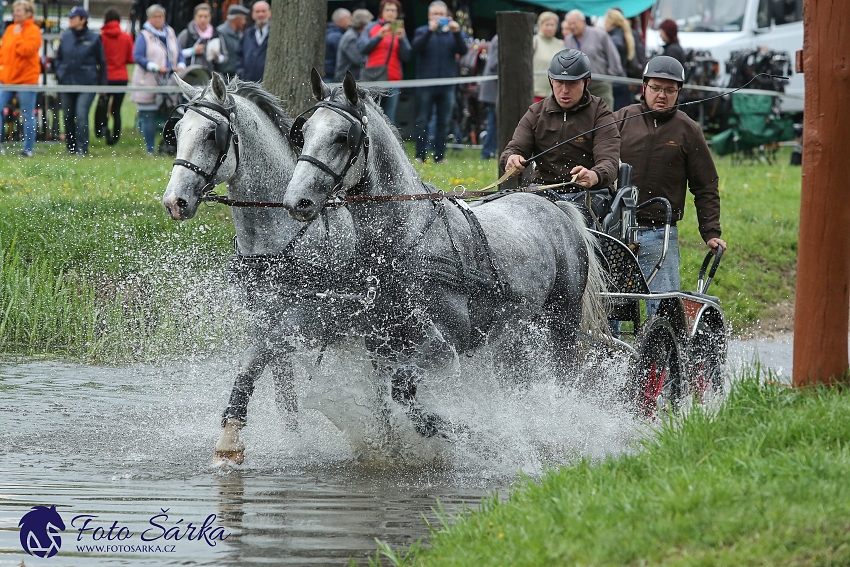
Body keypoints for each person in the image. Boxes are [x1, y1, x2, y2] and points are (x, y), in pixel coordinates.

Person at [613, 56, 725, 310]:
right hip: (616, 232)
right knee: (610, 310)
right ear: (644, 87)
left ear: (678, 92)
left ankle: (664, 349)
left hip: (660, 233)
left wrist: (711, 232)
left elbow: (706, 185)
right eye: (655, 88)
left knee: (664, 312)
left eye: (669, 90)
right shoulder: (620, 120)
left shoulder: (689, 131)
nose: (661, 95)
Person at [500, 49, 619, 205]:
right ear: (551, 80)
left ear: (586, 82)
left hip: (589, 193)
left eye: (572, 83)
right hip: (543, 191)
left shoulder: (600, 113)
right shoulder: (536, 113)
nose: (564, 90)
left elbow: (609, 161)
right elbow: (514, 149)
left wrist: (594, 175)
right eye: (559, 82)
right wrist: (511, 158)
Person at [411, 1, 468, 163]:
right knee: (422, 121)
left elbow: (463, 51)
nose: (438, 17)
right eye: (435, 14)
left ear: (447, 17)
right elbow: (415, 49)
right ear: (429, 16)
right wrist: (430, 31)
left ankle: (439, 156)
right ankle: (420, 155)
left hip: (447, 86)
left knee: (444, 122)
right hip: (425, 85)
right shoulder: (421, 31)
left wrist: (457, 33)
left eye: (441, 14)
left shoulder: (453, 33)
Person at [130, 4, 185, 156]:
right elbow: (138, 56)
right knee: (148, 115)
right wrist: (154, 67)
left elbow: (179, 53)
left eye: (160, 16)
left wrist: (180, 65)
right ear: (149, 18)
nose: (158, 19)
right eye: (155, 16)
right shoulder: (144, 35)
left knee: (171, 115)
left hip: (169, 81)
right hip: (147, 81)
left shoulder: (170, 33)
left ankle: (168, 148)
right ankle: (150, 149)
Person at [55, 6, 107, 155]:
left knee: (81, 114)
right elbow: (58, 57)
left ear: (83, 20)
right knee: (67, 116)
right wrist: (60, 72)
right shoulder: (65, 36)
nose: (70, 20)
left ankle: (82, 148)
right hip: (66, 82)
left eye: (73, 17)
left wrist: (103, 85)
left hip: (86, 83)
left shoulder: (94, 38)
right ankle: (70, 148)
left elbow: (102, 62)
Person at [358, 0, 410, 125]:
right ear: (382, 12)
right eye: (388, 10)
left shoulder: (400, 30)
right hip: (373, 78)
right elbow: (361, 47)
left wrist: (402, 40)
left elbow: (406, 56)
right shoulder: (372, 27)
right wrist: (378, 36)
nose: (390, 13)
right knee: (370, 114)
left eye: (393, 10)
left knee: (389, 117)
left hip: (393, 79)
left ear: (398, 13)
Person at [0, 0, 41, 157]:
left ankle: (28, 149)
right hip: (7, 79)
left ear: (29, 13)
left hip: (26, 80)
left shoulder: (34, 31)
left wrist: (18, 36)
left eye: (19, 11)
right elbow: (3, 52)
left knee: (27, 114)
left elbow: (26, 50)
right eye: (15, 10)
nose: (15, 13)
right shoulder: (10, 29)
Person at [563, 9, 624, 111]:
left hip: (601, 86)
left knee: (604, 117)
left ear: (583, 21)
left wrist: (607, 78)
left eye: (574, 23)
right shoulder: (568, 40)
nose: (572, 26)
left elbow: (614, 58)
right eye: (570, 24)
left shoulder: (600, 34)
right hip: (578, 88)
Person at [95, 7, 134, 146]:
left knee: (102, 106)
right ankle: (115, 137)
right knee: (116, 109)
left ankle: (102, 129)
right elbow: (131, 58)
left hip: (105, 78)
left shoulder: (101, 37)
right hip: (121, 77)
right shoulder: (127, 37)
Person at [604, 8, 640, 110]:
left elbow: (613, 64)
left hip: (615, 82)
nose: (604, 24)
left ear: (611, 22)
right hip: (623, 80)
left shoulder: (614, 40)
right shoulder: (625, 35)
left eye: (605, 21)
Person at [177, 4, 225, 72]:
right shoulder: (186, 34)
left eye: (206, 16)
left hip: (211, 73)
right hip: (190, 73)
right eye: (200, 16)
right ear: (195, 17)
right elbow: (177, 53)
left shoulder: (216, 35)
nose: (203, 19)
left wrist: (217, 57)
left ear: (210, 17)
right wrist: (192, 51)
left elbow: (225, 57)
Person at [532, 12, 563, 103]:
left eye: (552, 25)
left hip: (555, 94)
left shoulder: (560, 44)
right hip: (536, 93)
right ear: (540, 26)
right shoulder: (534, 41)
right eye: (547, 25)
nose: (550, 28)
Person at [334, 9, 373, 82]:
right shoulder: (350, 38)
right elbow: (359, 60)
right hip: (346, 82)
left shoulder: (357, 35)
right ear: (363, 25)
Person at [238, 1, 270, 82]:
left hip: (267, 80)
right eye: (257, 12)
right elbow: (239, 55)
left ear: (270, 12)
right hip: (249, 81)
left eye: (263, 11)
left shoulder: (275, 33)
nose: (261, 15)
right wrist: (240, 72)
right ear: (252, 14)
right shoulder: (247, 33)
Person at [478, 34, 498, 160]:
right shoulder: (501, 38)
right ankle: (488, 152)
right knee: (494, 123)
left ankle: (490, 151)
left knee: (494, 122)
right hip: (495, 89)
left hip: (495, 89)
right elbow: (494, 64)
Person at [325, 8, 350, 80]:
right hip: (331, 75)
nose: (351, 22)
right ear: (341, 20)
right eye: (349, 18)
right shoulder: (337, 37)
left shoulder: (328, 32)